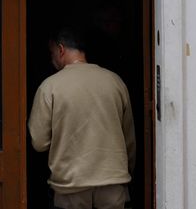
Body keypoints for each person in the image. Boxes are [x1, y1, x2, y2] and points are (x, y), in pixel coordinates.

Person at [28, 28, 136, 209]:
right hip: (113, 183)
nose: (51, 57)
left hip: (70, 186)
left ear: (61, 49)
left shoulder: (50, 87)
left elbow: (39, 142)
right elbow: (129, 140)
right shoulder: (115, 82)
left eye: (52, 52)